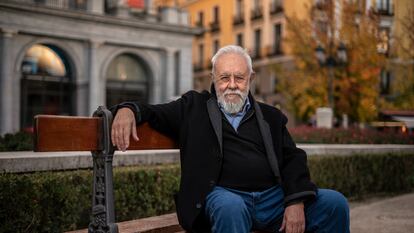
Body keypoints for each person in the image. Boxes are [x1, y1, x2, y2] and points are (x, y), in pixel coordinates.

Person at [111, 45, 349, 233]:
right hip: (224, 198)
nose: (232, 85)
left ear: (251, 78)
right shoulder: (193, 107)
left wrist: (295, 201)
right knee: (230, 207)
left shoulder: (271, 116)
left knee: (334, 203)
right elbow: (155, 112)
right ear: (213, 78)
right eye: (224, 78)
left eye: (239, 78)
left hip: (270, 200)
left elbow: (292, 158)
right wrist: (128, 109)